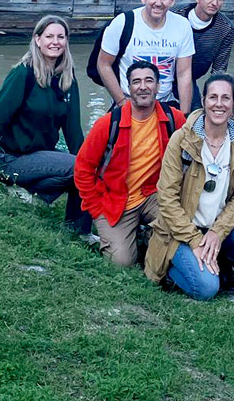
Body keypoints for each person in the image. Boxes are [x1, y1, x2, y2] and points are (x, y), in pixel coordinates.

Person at [0, 15, 91, 235]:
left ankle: (60, 216)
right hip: (11, 158)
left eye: (61, 37)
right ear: (37, 40)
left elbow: (73, 131)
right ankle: (77, 231)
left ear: (67, 41)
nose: (55, 41)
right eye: (49, 36)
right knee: (78, 168)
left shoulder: (67, 78)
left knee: (86, 168)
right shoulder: (23, 74)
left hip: (41, 155)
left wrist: (88, 160)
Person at [144, 73, 234, 299]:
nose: (219, 104)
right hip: (181, 230)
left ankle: (216, 254)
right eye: (212, 97)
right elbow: (166, 199)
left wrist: (217, 232)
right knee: (206, 289)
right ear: (203, 101)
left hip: (216, 224)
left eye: (226, 98)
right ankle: (171, 264)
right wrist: (195, 240)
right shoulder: (181, 139)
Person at [73, 62, 185, 267]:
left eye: (149, 80)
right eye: (136, 81)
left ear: (158, 86)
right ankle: (126, 238)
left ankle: (148, 237)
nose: (143, 86)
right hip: (115, 201)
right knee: (121, 262)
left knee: (176, 225)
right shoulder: (108, 124)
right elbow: (83, 169)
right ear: (128, 87)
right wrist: (96, 208)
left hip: (153, 195)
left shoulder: (174, 119)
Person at [97, 0, 195, 112]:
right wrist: (121, 102)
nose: (158, 3)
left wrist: (184, 116)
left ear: (172, 1)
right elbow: (103, 64)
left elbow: (184, 73)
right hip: (129, 101)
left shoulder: (182, 25)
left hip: (165, 102)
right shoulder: (122, 22)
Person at [175, 0, 234, 108]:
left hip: (191, 78)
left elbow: (219, 69)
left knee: (196, 116)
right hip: (164, 73)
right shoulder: (175, 15)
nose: (214, 3)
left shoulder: (226, 28)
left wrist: (214, 95)